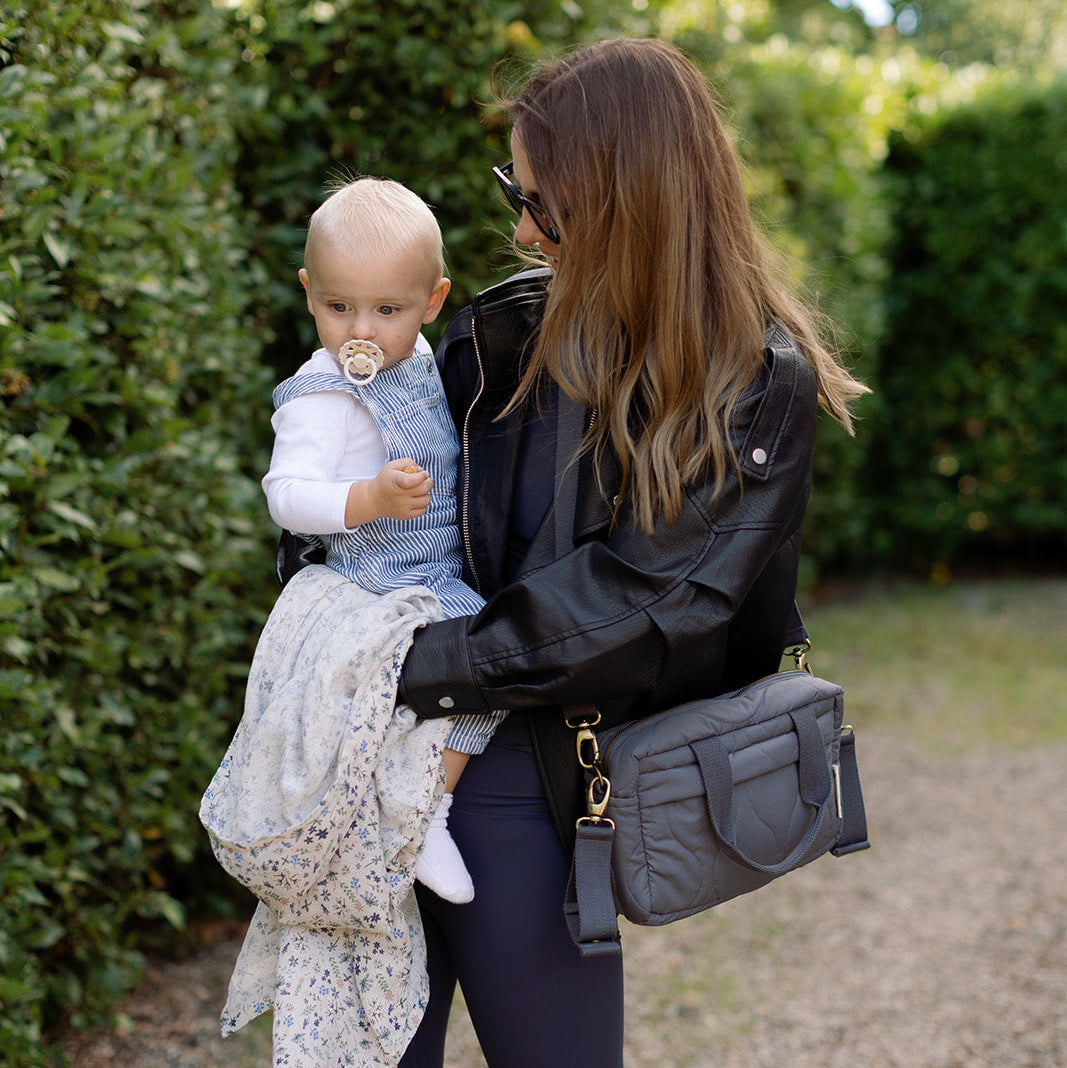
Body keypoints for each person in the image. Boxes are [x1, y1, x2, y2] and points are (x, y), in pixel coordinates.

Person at [301, 37, 868, 1068]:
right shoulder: (494, 331)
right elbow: (358, 495)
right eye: (513, 192)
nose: (519, 229)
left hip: (538, 779)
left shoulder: (750, 383)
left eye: (541, 203)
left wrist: (401, 670)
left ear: (625, 199)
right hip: (374, 759)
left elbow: (649, 600)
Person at [262, 176, 508, 905]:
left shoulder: (423, 360)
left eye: (386, 310)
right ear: (309, 293)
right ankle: (426, 812)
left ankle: (412, 798)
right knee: (486, 670)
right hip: (383, 577)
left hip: (438, 563)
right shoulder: (325, 393)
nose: (360, 331)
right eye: (338, 308)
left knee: (472, 681)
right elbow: (286, 496)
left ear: (432, 302)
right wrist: (366, 497)